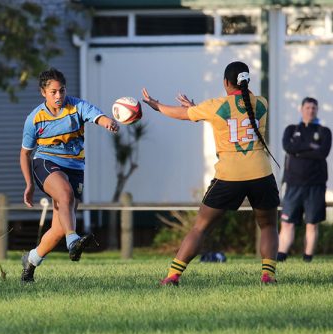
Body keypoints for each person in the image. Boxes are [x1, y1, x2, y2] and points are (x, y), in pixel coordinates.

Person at [142, 61, 280, 285]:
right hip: (261, 174)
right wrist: (198, 109)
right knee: (268, 226)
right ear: (247, 81)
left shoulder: (215, 105)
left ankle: (172, 276)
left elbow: (181, 114)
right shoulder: (262, 103)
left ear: (226, 82)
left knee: (200, 228)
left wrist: (156, 104)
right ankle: (268, 275)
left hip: (229, 176)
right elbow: (238, 113)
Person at [20, 68, 119, 282]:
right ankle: (73, 241)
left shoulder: (77, 107)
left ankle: (31, 260)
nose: (58, 96)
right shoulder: (34, 119)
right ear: (43, 93)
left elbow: (98, 116)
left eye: (62, 91)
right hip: (45, 163)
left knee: (58, 228)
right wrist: (29, 184)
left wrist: (108, 122)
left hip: (74, 168)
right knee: (65, 195)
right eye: (53, 92)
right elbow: (25, 153)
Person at [277, 97, 331, 262]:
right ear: (301, 109)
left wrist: (299, 151)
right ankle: (280, 258)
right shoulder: (291, 130)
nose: (310, 110)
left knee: (312, 224)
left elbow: (322, 153)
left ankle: (307, 259)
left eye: (314, 108)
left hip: (315, 185)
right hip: (293, 184)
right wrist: (311, 147)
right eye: (307, 107)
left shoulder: (324, 131)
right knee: (287, 223)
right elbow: (288, 147)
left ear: (317, 110)